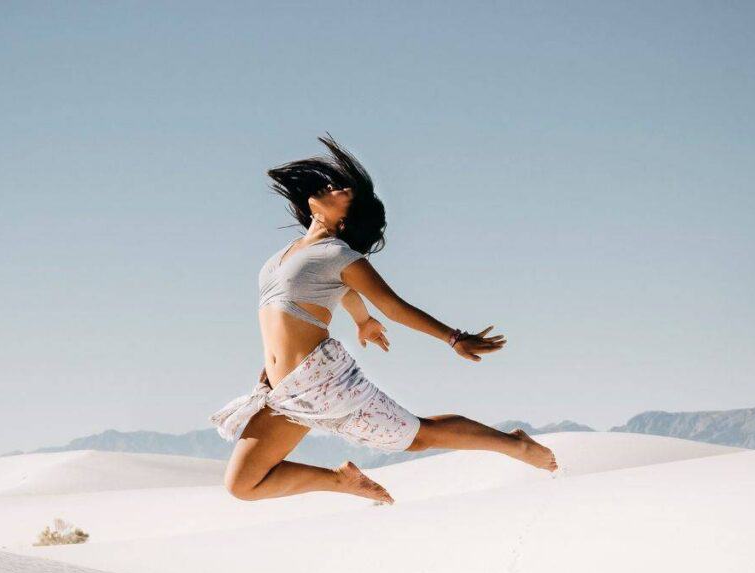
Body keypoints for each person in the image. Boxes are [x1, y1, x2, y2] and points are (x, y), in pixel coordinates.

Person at [210, 135, 558, 505]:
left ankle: (515, 445)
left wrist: (453, 338)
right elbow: (339, 291)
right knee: (242, 485)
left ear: (344, 220)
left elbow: (393, 306)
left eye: (346, 193)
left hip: (322, 384)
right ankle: (343, 482)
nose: (337, 188)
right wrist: (362, 321)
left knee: (418, 435)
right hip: (285, 392)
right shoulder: (294, 253)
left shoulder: (340, 254)